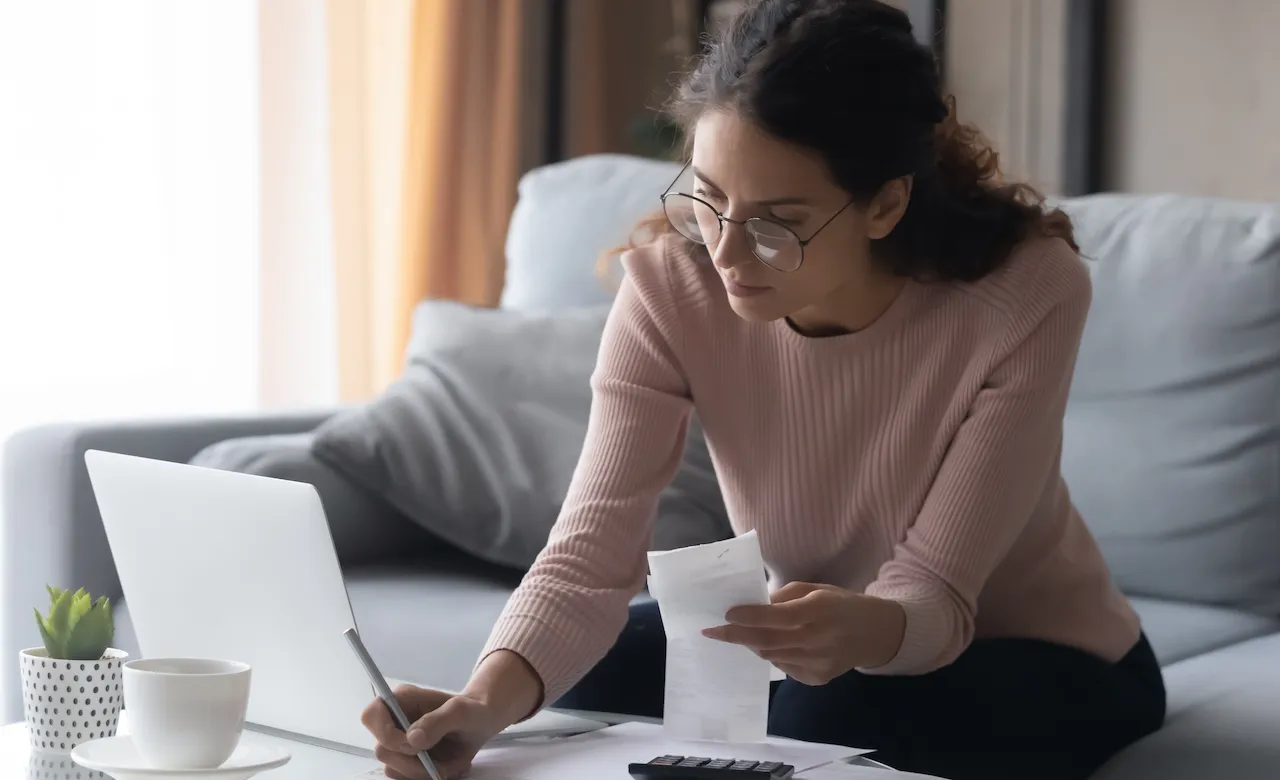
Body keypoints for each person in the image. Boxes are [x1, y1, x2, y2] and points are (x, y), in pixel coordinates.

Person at [361, 1, 1167, 778]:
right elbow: (590, 559)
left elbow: (936, 595)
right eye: (709, 201)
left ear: (885, 202)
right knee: (577, 689)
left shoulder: (1021, 293)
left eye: (779, 221)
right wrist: (478, 703)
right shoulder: (672, 291)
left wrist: (864, 630)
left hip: (1035, 649)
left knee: (824, 722)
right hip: (817, 646)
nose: (728, 255)